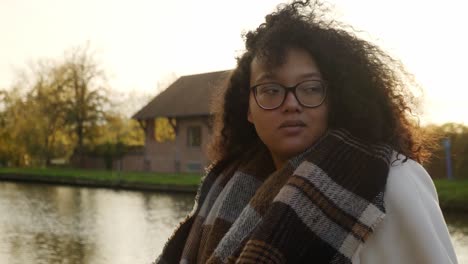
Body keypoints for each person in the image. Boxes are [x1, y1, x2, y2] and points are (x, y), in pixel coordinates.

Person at [156, 1, 458, 263]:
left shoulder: (392, 181)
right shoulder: (224, 185)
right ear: (247, 108)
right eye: (271, 90)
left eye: (311, 88)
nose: (291, 104)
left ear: (336, 98)